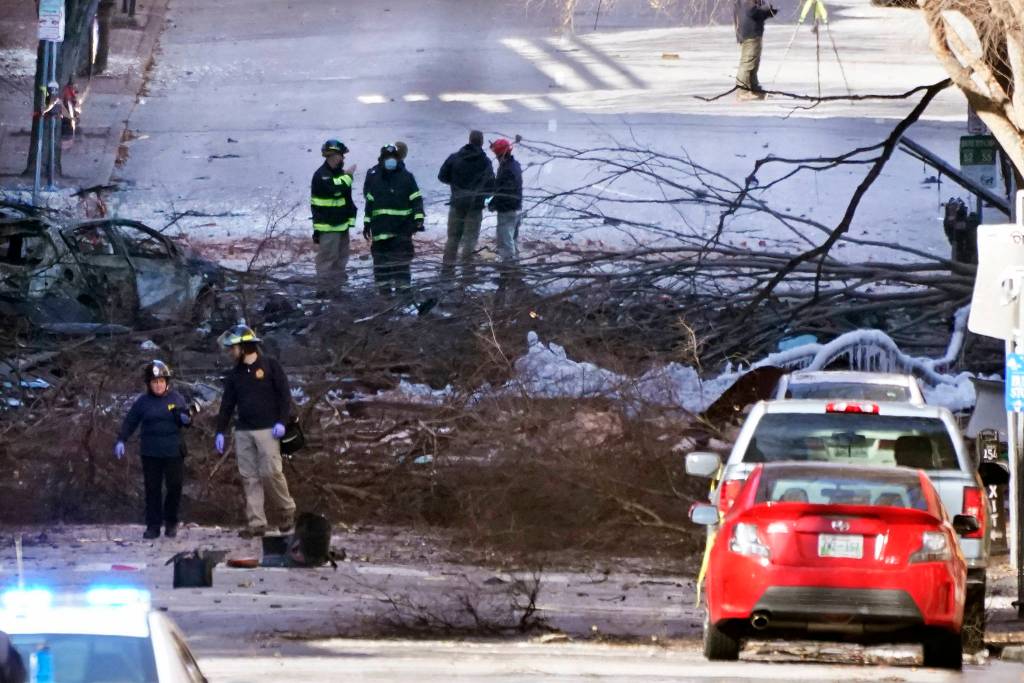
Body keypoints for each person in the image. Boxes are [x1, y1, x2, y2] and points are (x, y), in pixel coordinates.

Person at [214, 324, 296, 538]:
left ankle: (287, 513)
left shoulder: (270, 366)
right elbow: (227, 404)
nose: (231, 352)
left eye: (233, 348)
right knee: (249, 478)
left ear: (244, 346)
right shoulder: (235, 374)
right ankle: (257, 523)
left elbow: (284, 396)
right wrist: (220, 431)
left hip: (269, 430)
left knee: (271, 473)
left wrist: (281, 422)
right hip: (243, 431)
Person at [115, 360, 191, 540]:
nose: (158, 385)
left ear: (167, 382)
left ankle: (171, 523)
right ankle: (153, 526)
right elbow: (130, 421)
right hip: (151, 452)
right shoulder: (142, 402)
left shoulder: (176, 398)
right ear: (149, 384)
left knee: (174, 487)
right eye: (155, 382)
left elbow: (185, 418)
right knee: (152, 489)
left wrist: (186, 419)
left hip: (173, 451)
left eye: (161, 381)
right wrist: (121, 440)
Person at [362, 144, 425, 298]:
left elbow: (416, 199)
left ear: (397, 159)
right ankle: (384, 295)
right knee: (381, 266)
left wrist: (418, 219)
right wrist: (367, 223)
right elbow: (369, 203)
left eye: (392, 158)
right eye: (387, 158)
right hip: (380, 231)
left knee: (401, 264)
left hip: (401, 230)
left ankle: (403, 294)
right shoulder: (375, 177)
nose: (390, 161)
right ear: (382, 160)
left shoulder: (407, 177)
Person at [438, 130, 494, 279]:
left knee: (453, 237)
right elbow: (491, 185)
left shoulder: (455, 158)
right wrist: (486, 200)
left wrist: (455, 185)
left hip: (456, 203)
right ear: (481, 142)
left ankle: (447, 270)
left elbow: (442, 176)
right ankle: (467, 271)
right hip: (474, 206)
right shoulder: (485, 162)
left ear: (469, 140)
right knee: (470, 238)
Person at [310, 139, 357, 285]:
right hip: (328, 227)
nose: (343, 158)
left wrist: (350, 220)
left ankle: (337, 291)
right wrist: (348, 176)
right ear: (333, 155)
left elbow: (347, 199)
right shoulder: (322, 175)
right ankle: (324, 292)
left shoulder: (339, 174)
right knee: (326, 261)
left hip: (341, 226)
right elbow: (335, 188)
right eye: (341, 155)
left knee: (341, 260)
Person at [487, 138, 523, 264]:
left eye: (496, 154)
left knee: (505, 241)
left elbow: (503, 192)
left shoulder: (506, 170)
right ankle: (514, 265)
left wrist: (492, 203)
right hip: (517, 208)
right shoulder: (515, 165)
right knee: (513, 240)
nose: (495, 157)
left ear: (500, 154)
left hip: (507, 210)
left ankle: (508, 268)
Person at [733, 0, 777, 100]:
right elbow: (753, 12)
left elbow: (756, 14)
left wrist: (768, 12)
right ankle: (742, 91)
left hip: (753, 35)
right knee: (747, 63)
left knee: (753, 64)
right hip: (750, 36)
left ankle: (754, 89)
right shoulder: (746, 3)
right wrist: (766, 10)